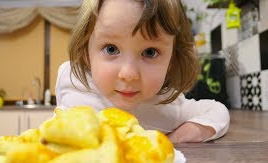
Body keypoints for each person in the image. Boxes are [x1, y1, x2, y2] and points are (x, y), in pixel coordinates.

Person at [55, 0, 230, 143]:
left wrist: (179, 137)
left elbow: (217, 110)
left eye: (150, 52)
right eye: (111, 49)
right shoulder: (70, 78)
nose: (129, 74)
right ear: (86, 53)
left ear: (171, 61)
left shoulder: (168, 107)